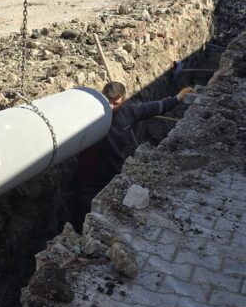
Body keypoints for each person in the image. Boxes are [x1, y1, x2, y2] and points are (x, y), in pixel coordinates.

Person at [74, 81, 194, 225]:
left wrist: (177, 98)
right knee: (87, 214)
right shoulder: (91, 112)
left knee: (107, 216)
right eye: (107, 102)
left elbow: (153, 108)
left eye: (115, 103)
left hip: (112, 176)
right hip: (88, 180)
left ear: (123, 100)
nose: (110, 107)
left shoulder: (129, 112)